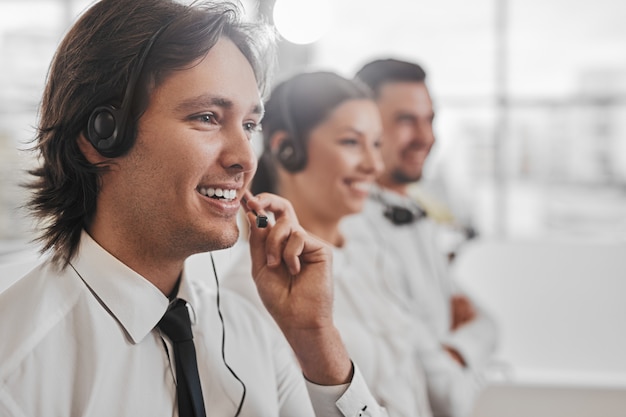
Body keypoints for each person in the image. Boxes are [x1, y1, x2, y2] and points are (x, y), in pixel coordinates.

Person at [0, 1, 388, 416]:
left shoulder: (254, 332)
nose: (246, 157)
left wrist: (317, 340)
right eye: (207, 117)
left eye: (250, 125)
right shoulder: (17, 366)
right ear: (100, 137)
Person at [221, 71, 433, 417]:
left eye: (377, 144)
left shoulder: (372, 257)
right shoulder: (257, 286)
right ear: (285, 148)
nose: (373, 165)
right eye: (352, 142)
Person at [340, 59, 499, 417]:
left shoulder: (417, 213)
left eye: (429, 119)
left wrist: (454, 350)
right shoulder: (349, 230)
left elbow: (488, 323)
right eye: (406, 120)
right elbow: (446, 396)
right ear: (362, 127)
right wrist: (463, 347)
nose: (426, 137)